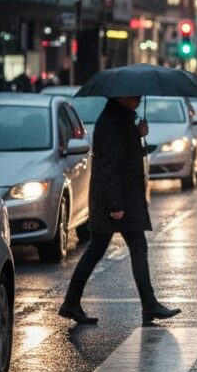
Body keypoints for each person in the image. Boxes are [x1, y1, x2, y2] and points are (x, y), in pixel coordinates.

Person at [59, 96, 181, 326]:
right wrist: (116, 205)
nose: (139, 99)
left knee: (115, 249)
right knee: (119, 249)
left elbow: (127, 157)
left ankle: (73, 303)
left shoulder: (121, 120)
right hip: (117, 201)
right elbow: (110, 165)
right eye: (135, 96)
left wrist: (138, 134)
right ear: (122, 98)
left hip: (122, 198)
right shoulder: (111, 123)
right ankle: (147, 305)